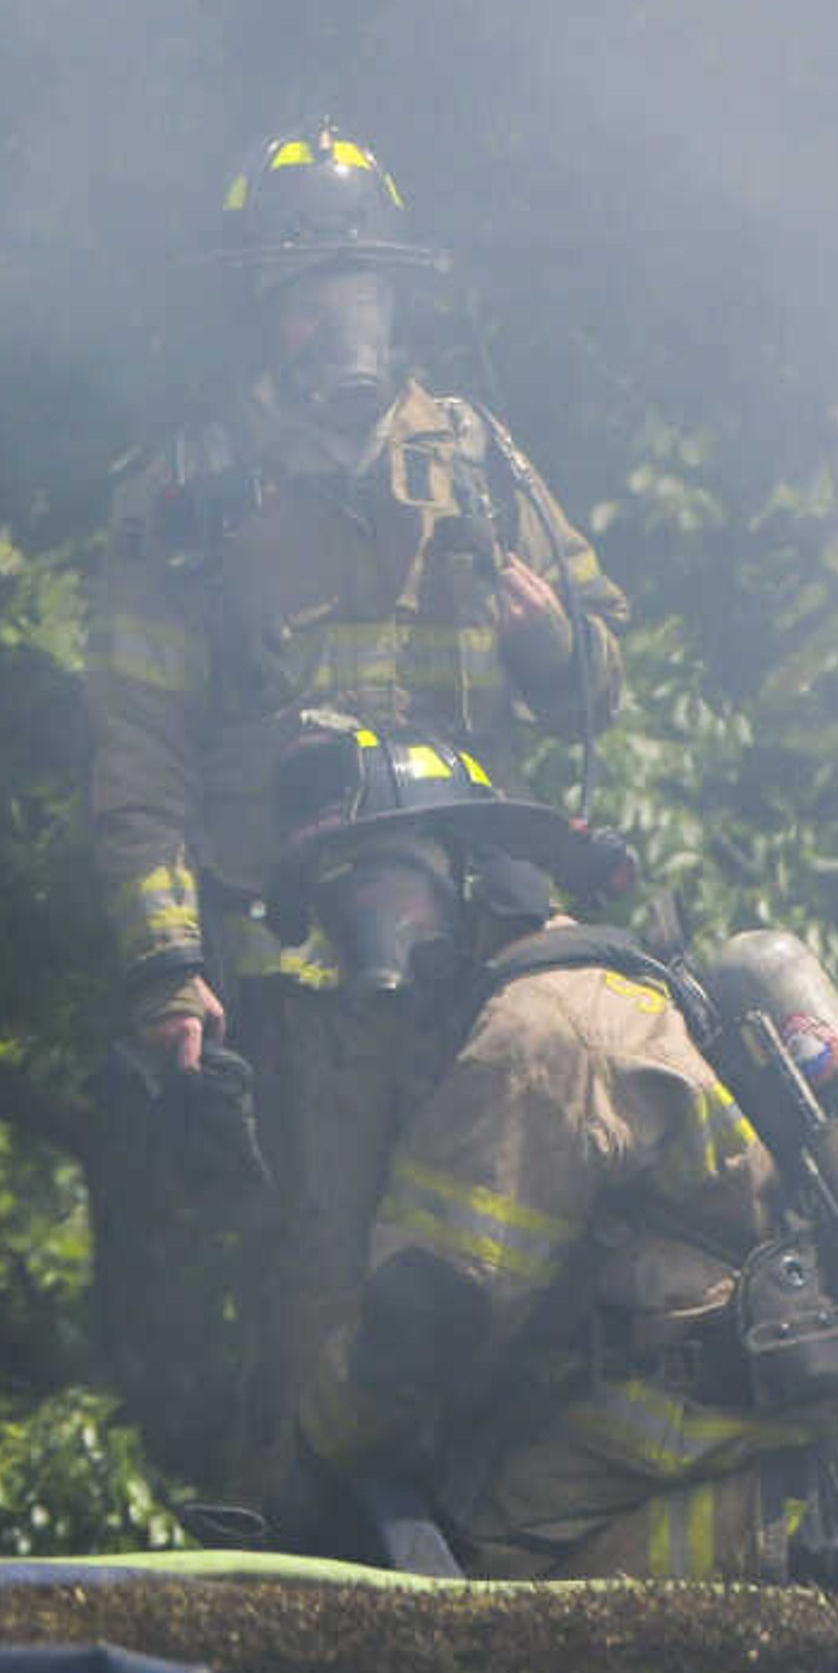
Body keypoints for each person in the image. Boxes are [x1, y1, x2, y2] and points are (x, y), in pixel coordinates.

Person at [82, 122, 630, 1498]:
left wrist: (557, 642)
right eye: (317, 287)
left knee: (513, 1268)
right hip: (301, 970)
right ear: (265, 312)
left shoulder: (480, 461)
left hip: (484, 953)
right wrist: (170, 966)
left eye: (369, 286)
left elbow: (596, 680)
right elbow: (136, 760)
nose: (349, 319)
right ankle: (321, 1589)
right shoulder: (188, 502)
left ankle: (503, 1574)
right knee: (327, 1299)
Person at [260, 721, 838, 1589]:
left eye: (376, 888)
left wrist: (311, 1463)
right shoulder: (592, 986)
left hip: (678, 1421)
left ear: (470, 871)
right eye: (333, 906)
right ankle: (797, 1540)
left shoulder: (536, 1033)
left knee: (462, 1578)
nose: (358, 931)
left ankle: (775, 1548)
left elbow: (430, 1313)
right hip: (727, 1402)